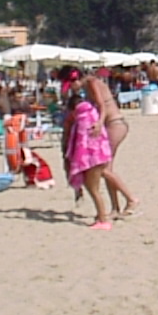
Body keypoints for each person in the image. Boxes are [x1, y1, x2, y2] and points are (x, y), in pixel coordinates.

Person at [60, 65, 142, 219]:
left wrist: (99, 122)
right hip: (111, 124)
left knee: (104, 169)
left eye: (71, 84)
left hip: (114, 124)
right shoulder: (88, 84)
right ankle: (115, 208)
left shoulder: (91, 82)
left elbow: (102, 105)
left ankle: (131, 199)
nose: (72, 88)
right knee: (107, 169)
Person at [62, 91, 113, 230]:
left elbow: (81, 142)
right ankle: (100, 216)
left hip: (91, 158)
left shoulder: (82, 119)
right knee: (95, 188)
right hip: (101, 154)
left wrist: (76, 162)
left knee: (93, 189)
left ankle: (103, 219)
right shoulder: (93, 113)